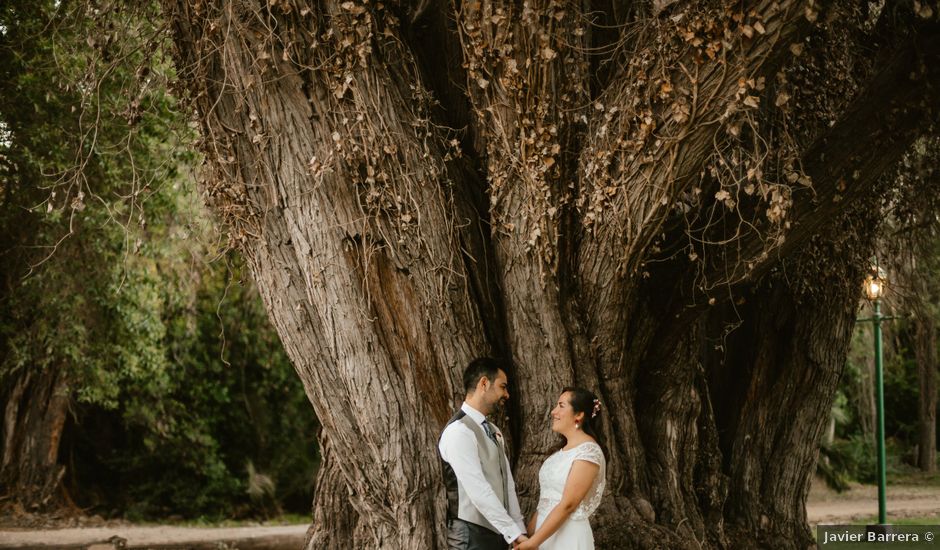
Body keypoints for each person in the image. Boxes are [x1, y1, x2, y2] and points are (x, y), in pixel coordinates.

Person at [439, 357, 529, 549]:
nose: (507, 394)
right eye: (502, 386)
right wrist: (511, 532)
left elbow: (507, 484)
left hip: (498, 536)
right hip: (470, 538)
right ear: (484, 383)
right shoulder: (459, 431)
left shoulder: (493, 430)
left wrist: (518, 529)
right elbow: (477, 489)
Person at [516, 387, 606, 550]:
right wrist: (530, 535)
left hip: (567, 536)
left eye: (561, 406)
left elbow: (568, 504)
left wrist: (534, 542)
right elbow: (546, 501)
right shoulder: (559, 453)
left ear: (579, 415)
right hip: (543, 535)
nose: (553, 412)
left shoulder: (588, 452)